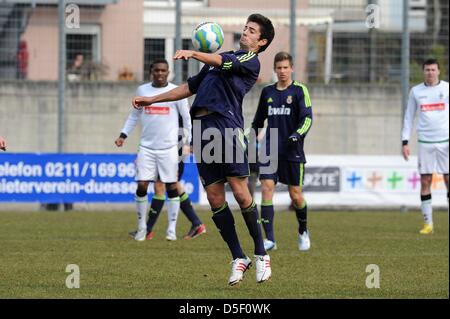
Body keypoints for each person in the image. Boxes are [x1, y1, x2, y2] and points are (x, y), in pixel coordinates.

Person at [132, 14, 275, 285]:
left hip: (227, 127)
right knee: (214, 198)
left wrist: (193, 52)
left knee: (242, 193)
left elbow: (220, 61)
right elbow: (187, 88)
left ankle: (261, 254)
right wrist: (151, 99)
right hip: (203, 129)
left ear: (261, 41)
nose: (245, 32)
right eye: (245, 28)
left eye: (251, 31)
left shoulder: (249, 60)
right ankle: (238, 257)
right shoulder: (217, 61)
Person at [116, 59, 197, 242]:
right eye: (156, 70)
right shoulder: (143, 91)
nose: (160, 73)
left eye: (163, 71)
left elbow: (187, 118)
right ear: (151, 72)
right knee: (142, 184)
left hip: (169, 148)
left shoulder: (177, 92)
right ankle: (142, 227)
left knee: (171, 186)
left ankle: (171, 229)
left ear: (168, 73)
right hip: (146, 147)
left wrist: (189, 142)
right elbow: (134, 115)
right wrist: (123, 135)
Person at [251, 52, 313, 252]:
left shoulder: (299, 91)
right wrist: (249, 137)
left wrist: (297, 135)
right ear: (275, 69)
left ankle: (303, 230)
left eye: (286, 67)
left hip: (292, 150)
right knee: (267, 188)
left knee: (295, 196)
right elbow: (258, 121)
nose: (283, 71)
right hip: (270, 149)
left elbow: (307, 119)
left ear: (291, 68)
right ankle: (269, 239)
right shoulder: (268, 92)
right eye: (279, 68)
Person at [401, 58, 449, 235]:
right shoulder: (416, 91)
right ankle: (428, 224)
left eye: (433, 69)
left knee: (448, 180)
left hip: (446, 141)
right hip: (425, 143)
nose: (430, 72)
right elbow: (409, 117)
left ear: (438, 71)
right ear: (423, 72)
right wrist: (405, 141)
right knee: (425, 181)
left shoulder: (447, 89)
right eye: (427, 70)